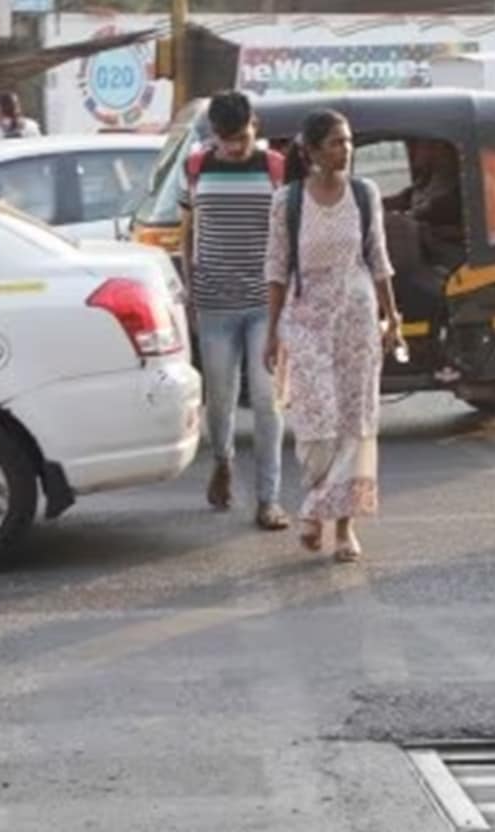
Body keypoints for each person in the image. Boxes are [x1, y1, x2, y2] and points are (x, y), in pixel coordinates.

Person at [264, 110, 403, 563]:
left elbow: (378, 259)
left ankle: (340, 527)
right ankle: (316, 505)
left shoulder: (365, 194)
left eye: (348, 142)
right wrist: (271, 333)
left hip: (356, 319)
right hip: (305, 321)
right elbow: (276, 268)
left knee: (355, 423)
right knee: (316, 423)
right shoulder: (288, 202)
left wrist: (393, 316)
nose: (346, 150)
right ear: (311, 151)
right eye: (336, 143)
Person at [180, 90, 289, 531]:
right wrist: (190, 287)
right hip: (213, 304)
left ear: (254, 126)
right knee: (221, 400)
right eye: (226, 139)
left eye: (241, 137)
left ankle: (269, 499)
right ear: (214, 135)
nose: (234, 147)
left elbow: (285, 237)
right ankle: (223, 461)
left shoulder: (275, 168)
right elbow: (186, 232)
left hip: (265, 304)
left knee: (267, 402)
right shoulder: (196, 166)